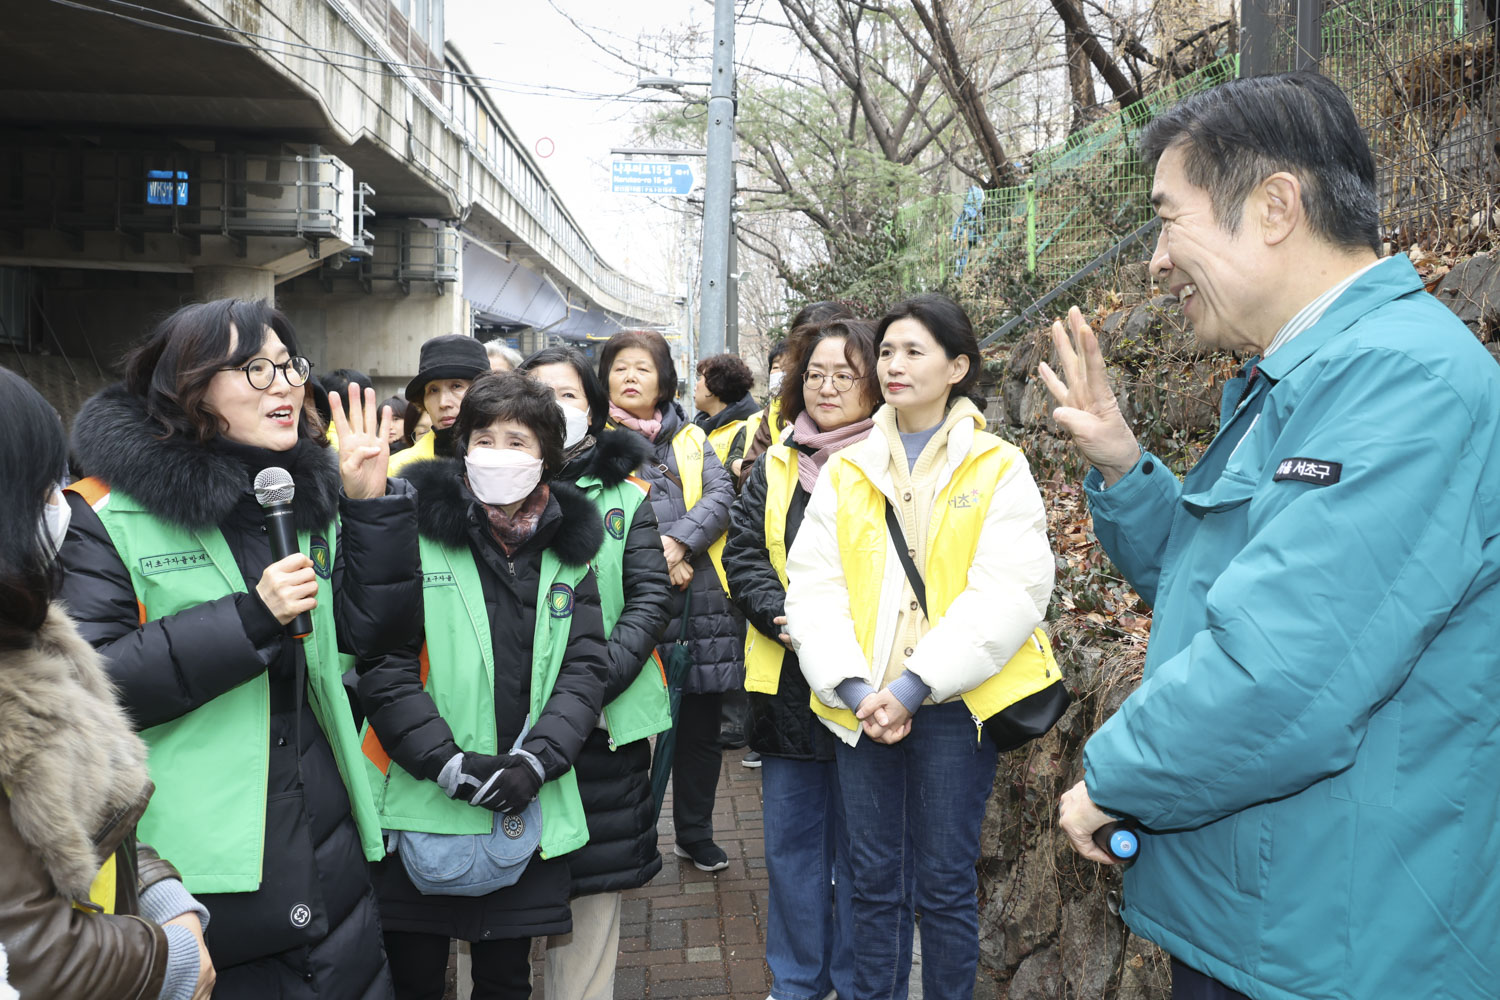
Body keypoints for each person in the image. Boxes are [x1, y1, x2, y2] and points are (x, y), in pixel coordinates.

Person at [1044, 72, 1500, 1000]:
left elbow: (1286, 670)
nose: (1157, 261)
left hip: (1339, 943)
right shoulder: (1308, 378)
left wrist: (1115, 774)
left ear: (1276, 205)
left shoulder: (1404, 384)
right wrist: (1127, 469)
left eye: (1169, 219)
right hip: (1270, 917)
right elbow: (1212, 586)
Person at [58, 299, 419, 999]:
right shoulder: (101, 513)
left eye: (289, 366)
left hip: (328, 843)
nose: (284, 385)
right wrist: (251, 617)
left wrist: (372, 507)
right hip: (198, 870)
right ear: (187, 387)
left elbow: (375, 638)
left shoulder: (301, 496)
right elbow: (90, 690)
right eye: (255, 368)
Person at [784, 293, 1054, 1000]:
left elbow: (1010, 594)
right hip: (863, 703)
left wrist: (912, 687)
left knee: (943, 884)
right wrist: (853, 689)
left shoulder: (998, 466)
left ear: (957, 366)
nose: (893, 365)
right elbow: (814, 588)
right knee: (871, 883)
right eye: (888, 351)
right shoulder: (848, 470)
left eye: (914, 351)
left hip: (952, 706)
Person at [355, 370, 609, 1000]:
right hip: (416, 797)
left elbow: (583, 668)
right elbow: (383, 660)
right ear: (461, 444)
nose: (499, 454)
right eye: (485, 438)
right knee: (412, 976)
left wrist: (537, 761)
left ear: (547, 456)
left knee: (504, 979)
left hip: (523, 800)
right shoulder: (410, 527)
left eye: (518, 441)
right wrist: (443, 763)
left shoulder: (569, 550)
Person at [0, 368, 214, 1000]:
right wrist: (168, 958)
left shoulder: (34, 635)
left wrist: (156, 890)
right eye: (45, 485)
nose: (59, 503)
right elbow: (24, 951)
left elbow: (87, 812)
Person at [723, 318, 884, 1000]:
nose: (824, 387)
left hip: (867, 685)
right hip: (788, 681)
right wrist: (782, 616)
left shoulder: (896, 460)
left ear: (876, 383)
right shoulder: (778, 460)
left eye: (843, 375)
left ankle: (854, 982)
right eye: (812, 374)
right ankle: (795, 982)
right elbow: (743, 552)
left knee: (863, 855)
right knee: (791, 853)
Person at [519, 347, 674, 1000]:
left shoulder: (627, 496)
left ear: (593, 408)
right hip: (501, 731)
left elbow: (648, 598)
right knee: (488, 914)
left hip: (603, 729)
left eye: (569, 394)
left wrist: (585, 689)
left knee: (589, 909)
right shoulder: (476, 496)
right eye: (538, 394)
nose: (555, 408)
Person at [599, 330, 741, 872]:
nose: (631, 376)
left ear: (664, 379)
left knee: (698, 732)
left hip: (696, 605)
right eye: (619, 368)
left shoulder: (690, 438)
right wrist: (661, 558)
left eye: (643, 368)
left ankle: (695, 832)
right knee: (622, 728)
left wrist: (678, 543)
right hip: (626, 603)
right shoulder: (592, 438)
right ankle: (629, 836)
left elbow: (721, 494)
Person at [737, 302, 854, 487]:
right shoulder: (779, 409)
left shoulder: (874, 416)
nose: (826, 388)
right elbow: (749, 478)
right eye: (804, 354)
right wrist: (783, 456)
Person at [389, 335, 490, 475]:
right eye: (433, 390)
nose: (443, 403)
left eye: (456, 386)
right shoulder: (396, 469)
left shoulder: (513, 459)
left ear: (484, 391)